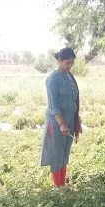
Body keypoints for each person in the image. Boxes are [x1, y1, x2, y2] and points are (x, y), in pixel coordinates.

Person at [39, 47, 81, 188]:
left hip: (69, 119)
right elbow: (53, 105)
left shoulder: (68, 76)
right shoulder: (53, 79)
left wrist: (76, 117)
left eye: (71, 63)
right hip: (57, 122)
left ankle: (62, 184)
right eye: (67, 63)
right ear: (59, 61)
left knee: (64, 153)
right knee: (57, 154)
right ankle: (58, 187)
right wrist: (62, 123)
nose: (69, 66)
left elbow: (73, 99)